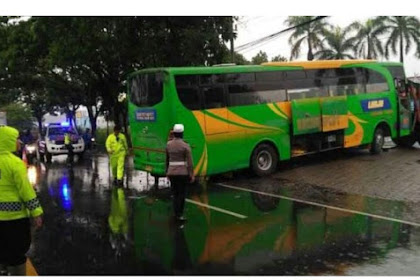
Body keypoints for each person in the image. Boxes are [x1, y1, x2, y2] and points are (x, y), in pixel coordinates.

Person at [0, 126, 43, 276]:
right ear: (8, 141)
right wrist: (36, 212)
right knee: (17, 255)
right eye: (15, 139)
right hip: (15, 219)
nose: (18, 142)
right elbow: (26, 191)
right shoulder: (15, 163)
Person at [166, 124, 194, 221]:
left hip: (172, 172)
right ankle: (180, 214)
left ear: (174, 133)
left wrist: (167, 172)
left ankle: (175, 213)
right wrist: (191, 174)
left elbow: (167, 159)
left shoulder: (168, 145)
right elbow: (190, 162)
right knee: (181, 194)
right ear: (182, 134)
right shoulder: (185, 146)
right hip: (182, 173)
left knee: (175, 193)